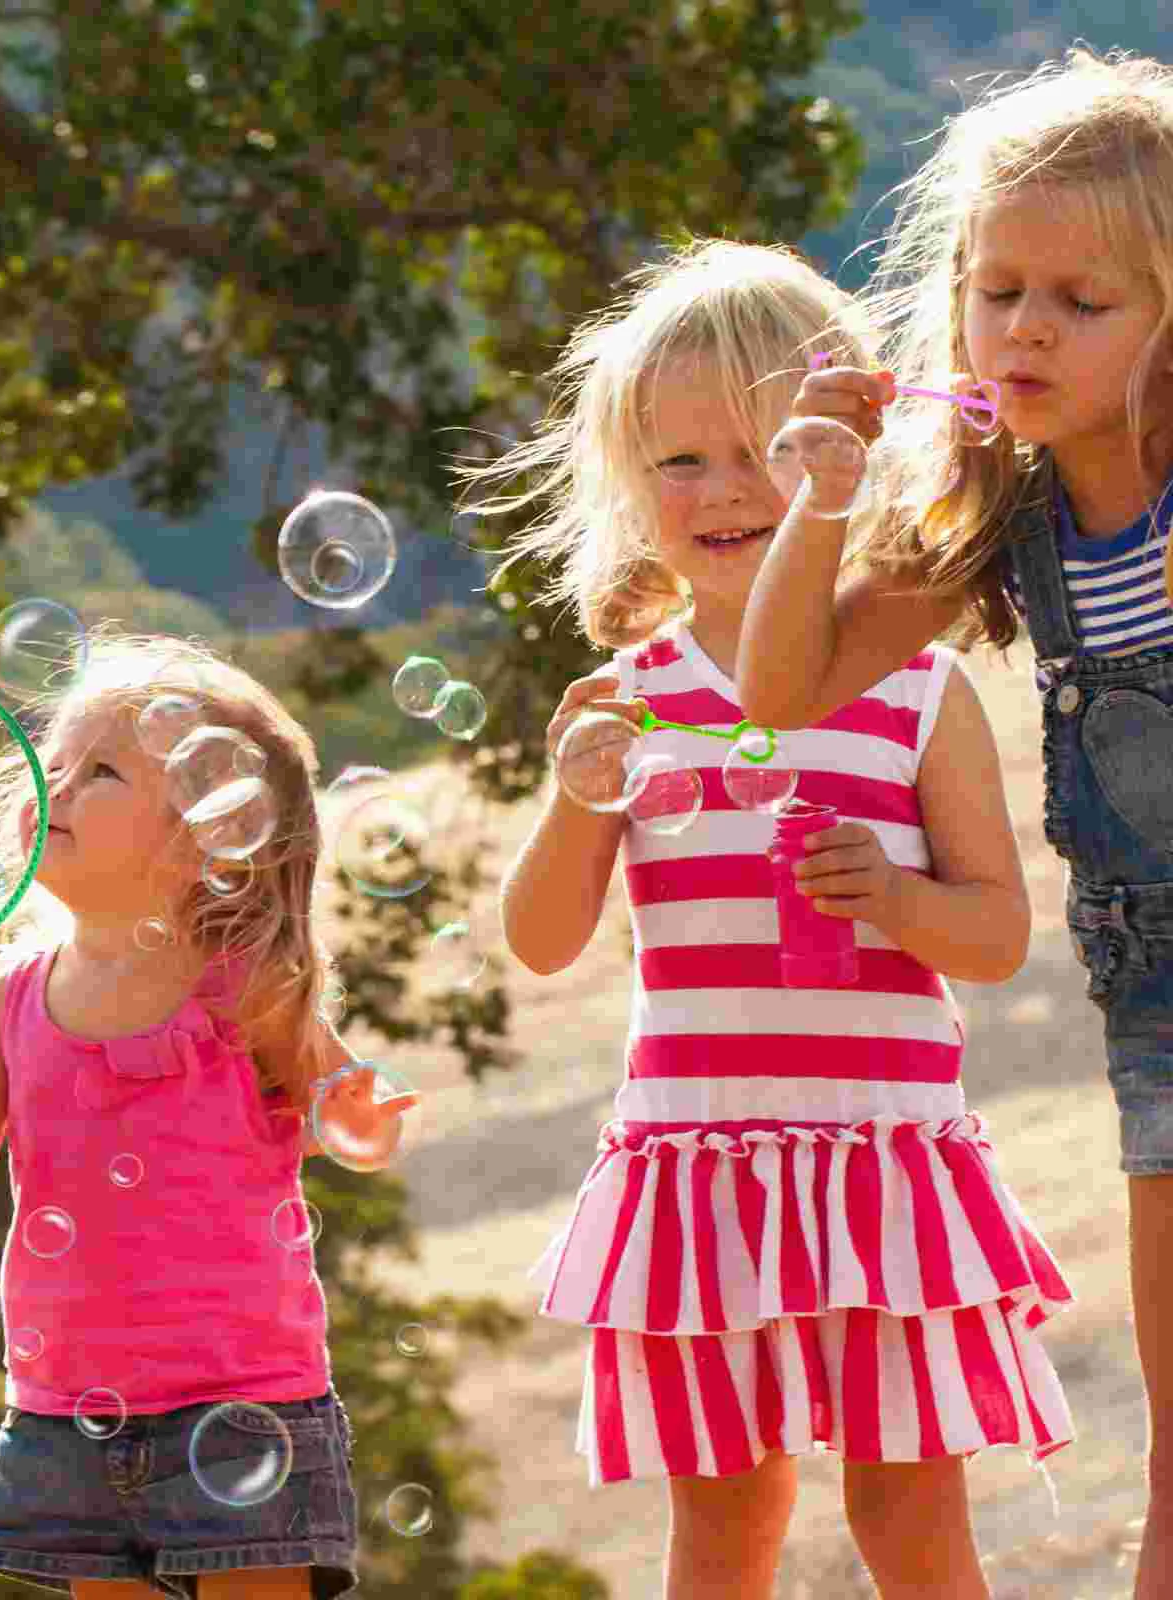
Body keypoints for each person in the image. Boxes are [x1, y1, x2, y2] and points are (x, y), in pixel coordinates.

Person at [459, 236, 1074, 1600]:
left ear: (848, 458)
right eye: (682, 462)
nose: (728, 492)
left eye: (769, 451)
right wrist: (576, 799)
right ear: (630, 485)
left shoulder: (916, 688)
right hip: (701, 1169)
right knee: (726, 1522)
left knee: (910, 1514)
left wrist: (902, 898)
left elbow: (995, 935)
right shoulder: (631, 694)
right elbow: (544, 938)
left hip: (884, 1165)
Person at [732, 46, 1173, 1600]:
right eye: (998, 291)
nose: (1026, 327)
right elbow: (779, 691)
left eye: (1083, 298)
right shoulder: (1008, 511)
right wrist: (827, 496)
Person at [0, 632, 418, 1599]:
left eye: (100, 771)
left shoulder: (248, 989)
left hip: (245, 1405)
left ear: (213, 833)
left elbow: (354, 1133)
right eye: (53, 764)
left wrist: (355, 1108)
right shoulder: (11, 999)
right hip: (68, 1409)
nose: (55, 785)